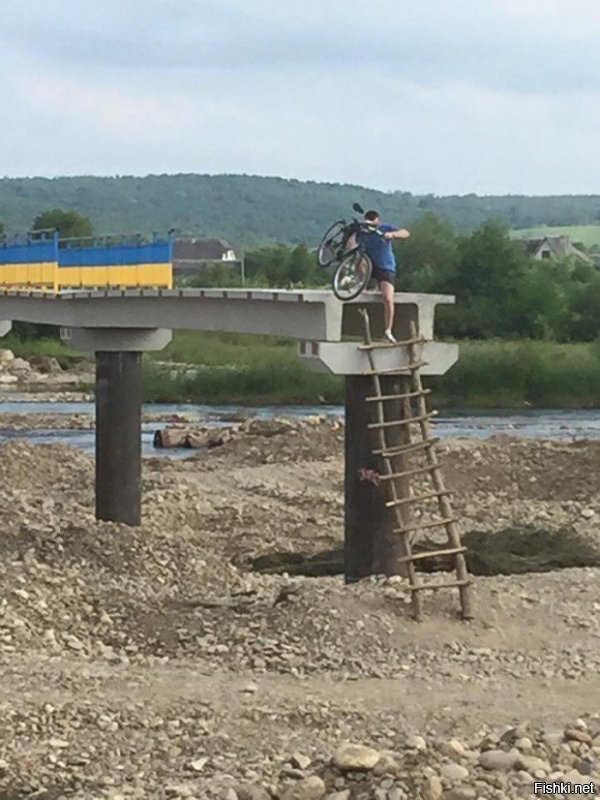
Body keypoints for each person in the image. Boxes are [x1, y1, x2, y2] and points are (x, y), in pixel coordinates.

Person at [353, 210, 410, 343]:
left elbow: (405, 233)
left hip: (385, 267)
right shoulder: (363, 232)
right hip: (369, 265)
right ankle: (362, 283)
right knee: (358, 258)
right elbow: (352, 242)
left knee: (388, 298)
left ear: (378, 220)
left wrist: (392, 234)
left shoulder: (384, 228)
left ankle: (388, 330)